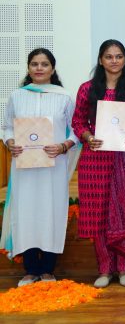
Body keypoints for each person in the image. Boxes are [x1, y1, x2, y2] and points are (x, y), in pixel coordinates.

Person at [72, 40, 125, 288]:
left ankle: (124, 267)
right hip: (96, 159)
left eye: (119, 56)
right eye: (109, 57)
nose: (114, 61)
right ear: (101, 60)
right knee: (99, 213)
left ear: (124, 60)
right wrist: (88, 137)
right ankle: (105, 268)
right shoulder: (87, 89)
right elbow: (78, 122)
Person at [1, 49, 78, 286]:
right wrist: (10, 142)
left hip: (53, 166)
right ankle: (30, 270)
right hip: (24, 166)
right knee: (25, 213)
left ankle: (47, 270)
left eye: (44, 64)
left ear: (53, 69)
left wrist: (63, 146)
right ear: (28, 67)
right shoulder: (17, 96)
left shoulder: (64, 97)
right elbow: (7, 127)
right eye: (34, 64)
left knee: (51, 212)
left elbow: (76, 130)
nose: (39, 68)